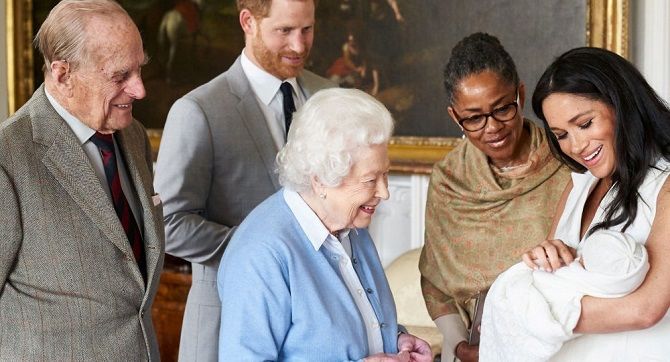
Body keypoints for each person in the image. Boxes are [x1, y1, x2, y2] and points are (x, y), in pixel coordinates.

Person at [153, 0, 334, 360]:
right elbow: (168, 223)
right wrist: (265, 250)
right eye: (284, 31)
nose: (299, 46)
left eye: (307, 29)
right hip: (226, 324)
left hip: (319, 330)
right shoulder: (198, 111)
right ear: (248, 22)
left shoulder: (331, 98)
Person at [0, 0, 164, 360]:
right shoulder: (8, 158)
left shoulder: (133, 136)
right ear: (62, 74)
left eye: (140, 70)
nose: (139, 90)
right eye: (120, 76)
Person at [216, 88, 432, 361]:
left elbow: (346, 330)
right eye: (370, 180)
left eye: (386, 175)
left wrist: (397, 340)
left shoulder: (351, 224)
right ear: (320, 180)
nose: (384, 192)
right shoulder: (261, 254)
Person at [418, 32, 570, 362]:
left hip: (558, 344)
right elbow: (435, 280)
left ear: (520, 95)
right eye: (474, 118)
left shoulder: (567, 162)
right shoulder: (448, 181)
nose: (492, 128)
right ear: (454, 117)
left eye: (502, 109)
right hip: (471, 348)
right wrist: (460, 346)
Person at [519, 46, 670, 361]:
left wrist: (529, 309)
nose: (576, 146)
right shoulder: (577, 187)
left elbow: (646, 310)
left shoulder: (665, 186)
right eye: (561, 134)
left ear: (621, 105)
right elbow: (553, 275)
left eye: (585, 124)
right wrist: (542, 259)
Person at [480, 230, 649, 361]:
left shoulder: (581, 288)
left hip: (533, 296)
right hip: (535, 281)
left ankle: (494, 339)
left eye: (582, 260)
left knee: (510, 300)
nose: (578, 260)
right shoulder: (624, 276)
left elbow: (546, 324)